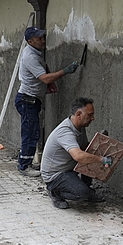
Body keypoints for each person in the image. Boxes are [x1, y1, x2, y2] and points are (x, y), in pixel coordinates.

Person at [16, 27, 79, 177]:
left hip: (31, 99)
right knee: (30, 133)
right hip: (27, 100)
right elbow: (44, 78)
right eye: (39, 38)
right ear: (30, 41)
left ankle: (26, 162)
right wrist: (65, 71)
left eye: (43, 37)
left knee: (32, 132)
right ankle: (24, 166)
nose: (43, 41)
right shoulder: (30, 56)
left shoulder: (34, 52)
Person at [40, 97, 113, 209]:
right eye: (90, 115)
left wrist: (100, 147)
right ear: (79, 114)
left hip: (68, 170)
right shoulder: (65, 132)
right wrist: (101, 159)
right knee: (81, 193)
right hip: (55, 175)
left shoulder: (79, 127)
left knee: (90, 156)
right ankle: (55, 192)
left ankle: (87, 189)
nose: (93, 118)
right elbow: (79, 156)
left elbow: (85, 148)